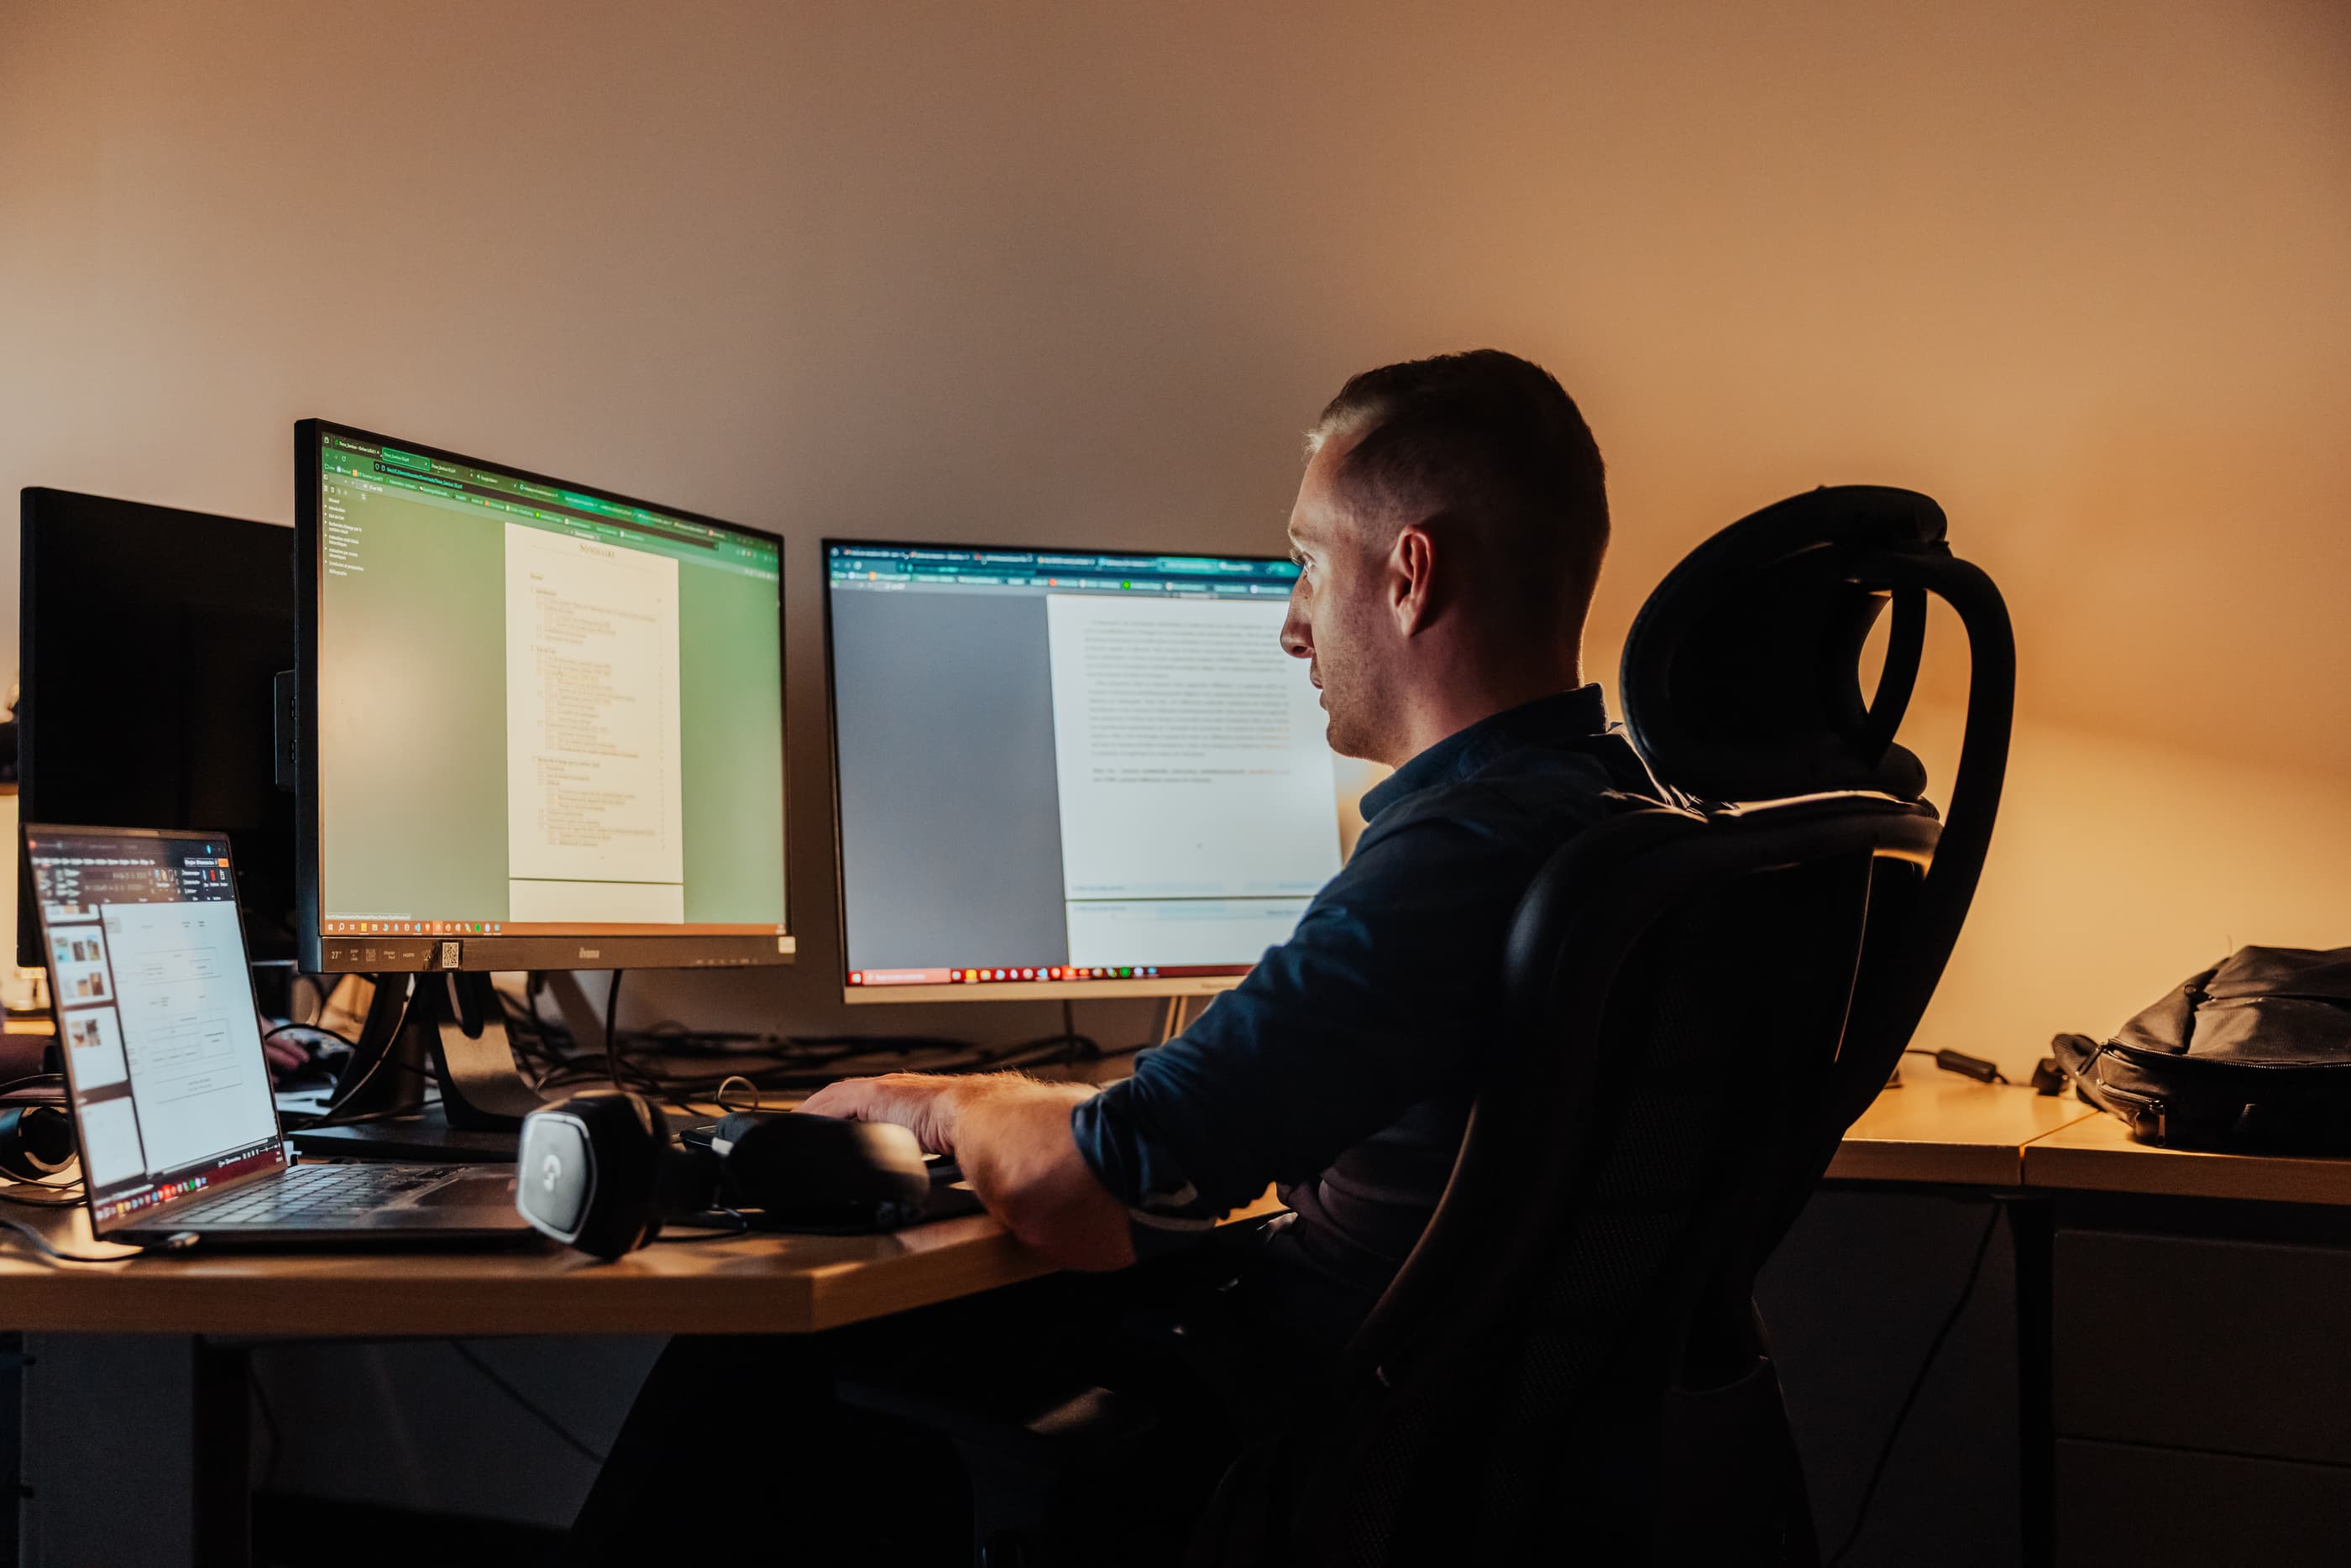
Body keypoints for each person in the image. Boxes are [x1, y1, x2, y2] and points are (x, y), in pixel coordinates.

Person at [567, 349, 1667, 1565]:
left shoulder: (1459, 857)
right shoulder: (1612, 817)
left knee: (758, 1359)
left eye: (1306, 565)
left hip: (1284, 1430)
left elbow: (1094, 1194)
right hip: (1447, 1434)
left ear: (1410, 575)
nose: (1291, 626)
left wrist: (936, 1101)